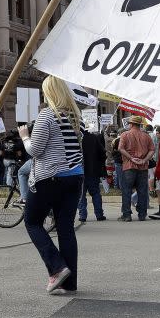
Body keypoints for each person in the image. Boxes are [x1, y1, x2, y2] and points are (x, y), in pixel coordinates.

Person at [20, 76, 83, 294]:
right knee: (66, 228)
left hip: (50, 177)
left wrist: (25, 136)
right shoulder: (76, 117)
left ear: (49, 92)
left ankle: (57, 267)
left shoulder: (47, 115)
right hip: (74, 177)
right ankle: (70, 282)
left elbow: (35, 150)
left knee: (32, 222)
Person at [118, 116, 154, 222]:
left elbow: (120, 148)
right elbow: (152, 150)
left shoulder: (125, 134)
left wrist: (131, 158)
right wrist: (144, 160)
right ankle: (142, 214)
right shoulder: (146, 136)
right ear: (140, 124)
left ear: (131, 124)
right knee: (142, 191)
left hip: (129, 166)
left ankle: (127, 215)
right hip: (143, 166)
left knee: (126, 191)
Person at [78, 128, 107, 222]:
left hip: (78, 171)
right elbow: (103, 153)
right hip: (92, 171)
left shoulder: (74, 138)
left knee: (81, 195)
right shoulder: (93, 138)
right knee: (95, 193)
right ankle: (99, 214)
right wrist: (99, 164)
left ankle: (82, 215)